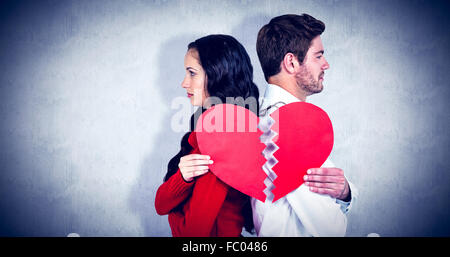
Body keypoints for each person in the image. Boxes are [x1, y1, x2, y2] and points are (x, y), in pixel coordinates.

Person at [252, 14, 358, 236]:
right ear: (291, 62)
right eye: (318, 56)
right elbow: (332, 229)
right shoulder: (286, 127)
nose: (326, 64)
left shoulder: (267, 117)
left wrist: (345, 191)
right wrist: (346, 196)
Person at [154, 34, 259, 237]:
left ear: (218, 74)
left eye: (192, 73)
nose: (184, 83)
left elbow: (194, 233)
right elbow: (160, 204)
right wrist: (183, 179)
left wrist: (175, 214)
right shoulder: (215, 125)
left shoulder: (224, 133)